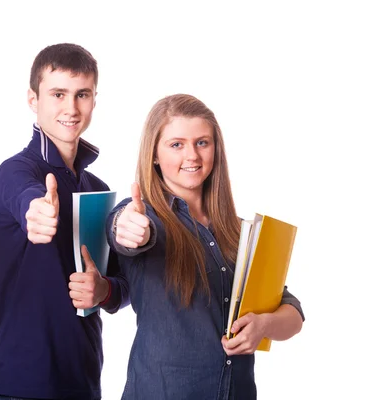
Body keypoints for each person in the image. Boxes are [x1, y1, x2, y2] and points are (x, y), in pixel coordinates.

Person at [107, 94, 305, 399]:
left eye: (202, 142)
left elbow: (292, 313)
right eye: (176, 144)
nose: (192, 156)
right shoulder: (144, 218)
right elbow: (122, 230)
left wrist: (263, 325)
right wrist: (127, 225)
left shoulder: (239, 232)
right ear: (155, 155)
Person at [0, 43, 129, 400]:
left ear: (95, 99)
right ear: (33, 99)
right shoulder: (14, 172)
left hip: (84, 382)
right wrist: (37, 211)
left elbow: (125, 284)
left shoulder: (97, 189)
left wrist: (105, 290)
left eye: (82, 94)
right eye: (58, 94)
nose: (71, 107)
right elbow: (27, 198)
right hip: (20, 385)